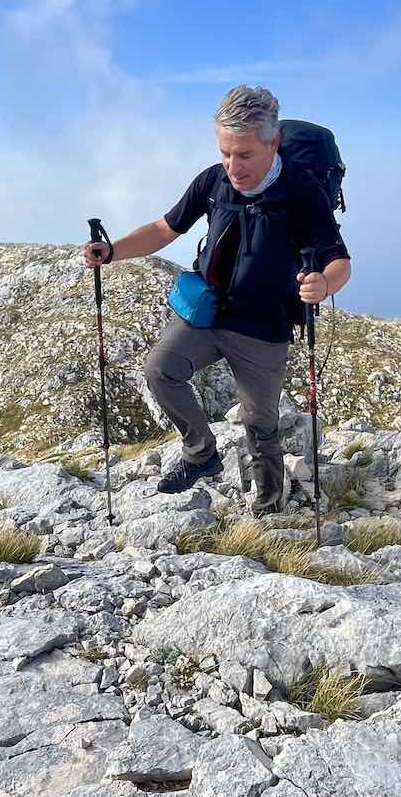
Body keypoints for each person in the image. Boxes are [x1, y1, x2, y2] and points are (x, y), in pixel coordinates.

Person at [81, 85, 351, 516]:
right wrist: (113, 251)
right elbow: (165, 228)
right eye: (225, 152)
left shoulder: (301, 190)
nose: (232, 166)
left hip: (263, 327)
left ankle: (267, 508)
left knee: (259, 424)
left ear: (273, 143)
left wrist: (325, 285)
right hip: (208, 312)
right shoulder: (213, 181)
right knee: (161, 370)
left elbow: (339, 261)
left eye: (243, 155)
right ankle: (201, 452)